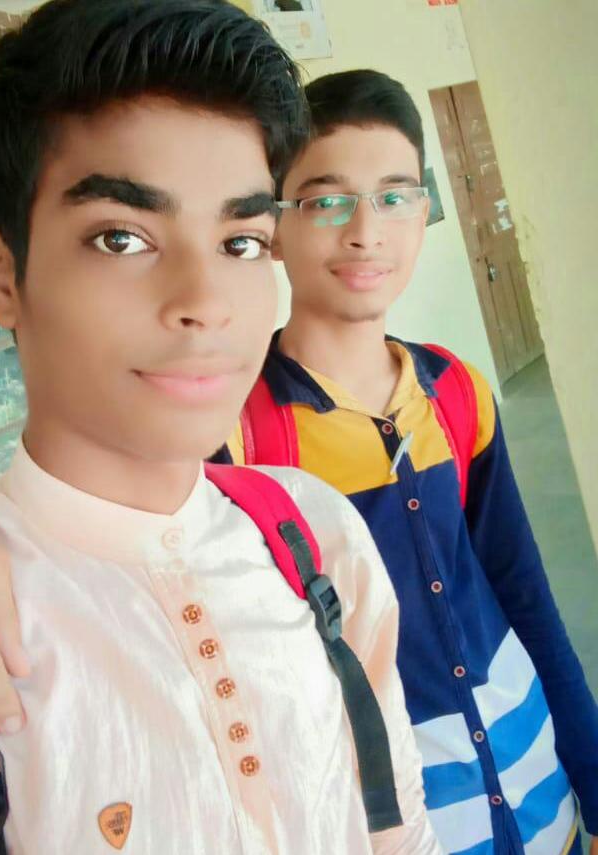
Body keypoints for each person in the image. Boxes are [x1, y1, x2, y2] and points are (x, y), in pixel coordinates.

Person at [0, 9, 440, 853]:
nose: (206, 301)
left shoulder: (315, 533)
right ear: (0, 276)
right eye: (122, 237)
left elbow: (399, 831)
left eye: (241, 242)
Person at [213, 70, 598, 854]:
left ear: (423, 212)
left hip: (536, 777)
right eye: (326, 200)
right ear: (275, 226)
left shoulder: (456, 390)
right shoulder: (240, 436)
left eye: (394, 195)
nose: (366, 231)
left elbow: (524, 591)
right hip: (402, 818)